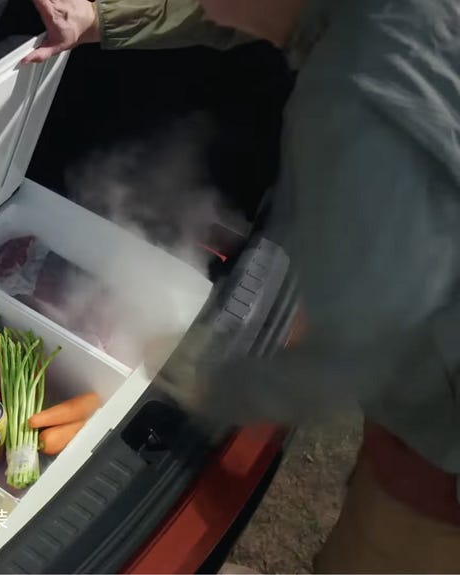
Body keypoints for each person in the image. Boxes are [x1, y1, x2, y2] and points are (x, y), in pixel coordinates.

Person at [23, 0, 460, 572]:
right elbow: (236, 11)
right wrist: (102, 18)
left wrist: (185, 385)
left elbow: (354, 341)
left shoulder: (360, 93)